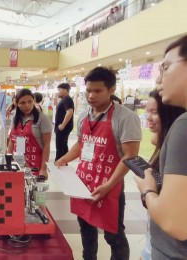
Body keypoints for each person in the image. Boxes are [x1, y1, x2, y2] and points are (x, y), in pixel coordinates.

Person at [55, 67, 141, 260]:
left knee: (114, 234)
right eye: (88, 90)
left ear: (111, 90)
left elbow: (130, 156)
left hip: (110, 185)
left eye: (98, 91)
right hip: (84, 181)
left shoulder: (126, 118)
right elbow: (81, 143)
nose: (91, 96)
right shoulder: (85, 116)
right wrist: (65, 159)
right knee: (85, 226)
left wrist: (109, 185)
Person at [135, 35, 187, 259]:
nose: (160, 78)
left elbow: (174, 223)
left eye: (166, 67)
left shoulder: (183, 126)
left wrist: (147, 189)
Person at [140, 90, 185, 260]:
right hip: (156, 241)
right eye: (147, 112)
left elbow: (173, 218)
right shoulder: (163, 144)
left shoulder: (181, 131)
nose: (149, 118)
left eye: (155, 112)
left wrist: (147, 190)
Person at [7, 89, 52, 178]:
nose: (27, 105)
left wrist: (43, 169)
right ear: (16, 103)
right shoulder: (15, 118)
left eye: (29, 101)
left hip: (35, 165)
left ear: (34, 101)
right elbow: (12, 141)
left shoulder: (42, 119)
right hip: (17, 163)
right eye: (22, 103)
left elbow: (46, 144)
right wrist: (8, 162)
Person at [54, 83, 74, 161]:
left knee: (59, 146)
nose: (58, 92)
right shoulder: (64, 99)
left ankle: (58, 162)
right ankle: (64, 162)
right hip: (63, 127)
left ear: (65, 90)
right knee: (63, 145)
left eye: (59, 90)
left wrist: (63, 125)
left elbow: (70, 111)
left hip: (63, 127)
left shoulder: (67, 99)